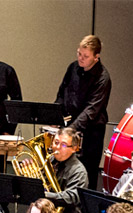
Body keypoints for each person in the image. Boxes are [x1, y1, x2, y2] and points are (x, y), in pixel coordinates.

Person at [2, 127, 89, 213]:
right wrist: (27, 178)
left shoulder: (78, 171)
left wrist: (42, 194)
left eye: (63, 145)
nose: (57, 147)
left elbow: (71, 198)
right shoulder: (48, 161)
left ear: (73, 149)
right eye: (56, 142)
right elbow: (36, 185)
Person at [55, 34, 111, 189]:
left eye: (85, 56)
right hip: (71, 127)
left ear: (96, 57)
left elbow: (91, 110)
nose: (81, 58)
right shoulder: (73, 67)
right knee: (64, 170)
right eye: (79, 53)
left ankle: (84, 210)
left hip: (91, 132)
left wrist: (70, 130)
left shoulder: (103, 78)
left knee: (88, 171)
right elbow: (62, 92)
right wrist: (56, 114)